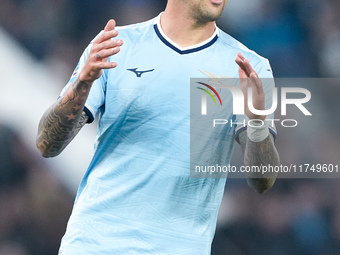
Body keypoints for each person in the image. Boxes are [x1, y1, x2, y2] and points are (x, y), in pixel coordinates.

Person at [36, 0, 280, 254]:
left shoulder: (249, 66)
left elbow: (262, 181)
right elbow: (47, 144)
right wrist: (82, 85)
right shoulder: (117, 44)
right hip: (95, 243)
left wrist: (256, 123)